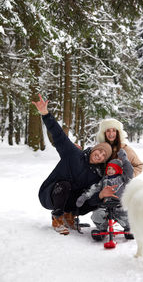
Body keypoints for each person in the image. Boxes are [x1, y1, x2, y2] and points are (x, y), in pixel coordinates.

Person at [32, 94, 112, 235]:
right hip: (50, 194)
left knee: (90, 196)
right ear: (94, 149)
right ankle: (57, 217)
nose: (99, 155)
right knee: (65, 185)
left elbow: (91, 198)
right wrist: (45, 114)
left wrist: (101, 196)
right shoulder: (74, 153)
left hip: (70, 199)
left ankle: (70, 215)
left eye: (103, 156)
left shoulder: (96, 175)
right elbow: (59, 136)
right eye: (99, 151)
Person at [76, 148, 134, 240]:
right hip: (105, 206)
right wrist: (84, 197)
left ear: (118, 170)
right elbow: (94, 189)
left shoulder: (123, 179)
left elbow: (130, 171)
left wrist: (124, 158)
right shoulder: (104, 180)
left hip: (119, 205)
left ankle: (129, 229)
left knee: (128, 216)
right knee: (96, 215)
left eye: (113, 169)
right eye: (109, 168)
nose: (110, 171)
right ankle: (102, 229)